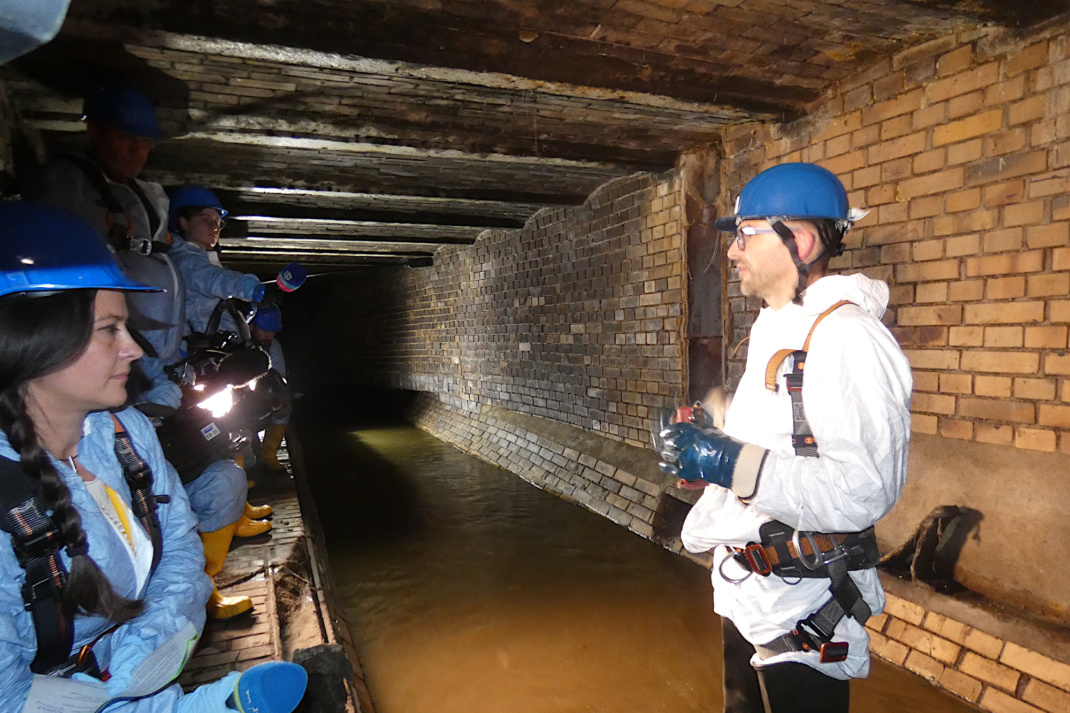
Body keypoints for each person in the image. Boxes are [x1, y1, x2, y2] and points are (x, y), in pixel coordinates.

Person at [0, 202, 307, 712]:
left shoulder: (125, 432)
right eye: (109, 330)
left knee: (222, 482)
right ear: (33, 339)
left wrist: (148, 650)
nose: (136, 350)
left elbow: (180, 550)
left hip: (123, 669)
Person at [657, 163, 912, 713]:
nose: (731, 251)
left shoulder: (849, 338)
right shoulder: (776, 324)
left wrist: (730, 464)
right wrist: (706, 445)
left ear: (798, 240)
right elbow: (777, 439)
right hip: (748, 587)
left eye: (746, 235)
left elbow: (863, 490)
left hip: (805, 604)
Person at [165, 186, 264, 337]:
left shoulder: (205, 259)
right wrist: (247, 287)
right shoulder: (184, 260)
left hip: (218, 351)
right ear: (184, 222)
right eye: (206, 219)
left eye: (218, 222)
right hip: (202, 352)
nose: (214, 227)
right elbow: (211, 279)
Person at [250, 304, 290, 472]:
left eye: (273, 331)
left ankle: (269, 454)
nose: (269, 335)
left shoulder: (274, 347)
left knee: (284, 406)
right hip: (241, 394)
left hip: (262, 392)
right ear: (251, 326)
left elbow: (278, 376)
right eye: (264, 330)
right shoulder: (239, 342)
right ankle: (241, 464)